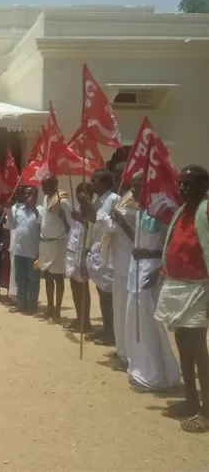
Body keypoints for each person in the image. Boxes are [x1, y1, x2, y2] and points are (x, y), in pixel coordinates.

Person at [111, 172, 179, 394]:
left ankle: (156, 376)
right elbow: (137, 241)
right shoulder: (143, 209)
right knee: (135, 324)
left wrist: (157, 264)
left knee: (150, 327)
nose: (133, 192)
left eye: (138, 187)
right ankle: (141, 370)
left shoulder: (164, 209)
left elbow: (172, 245)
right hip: (136, 269)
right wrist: (122, 224)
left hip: (151, 271)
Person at [154, 165, 209, 433]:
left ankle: (207, 413)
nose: (183, 188)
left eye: (190, 184)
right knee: (184, 347)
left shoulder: (205, 211)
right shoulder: (181, 212)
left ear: (204, 186)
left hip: (199, 289)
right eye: (182, 183)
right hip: (177, 287)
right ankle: (190, 401)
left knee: (199, 351)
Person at [78, 168, 120, 346]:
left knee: (108, 296)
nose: (91, 183)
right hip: (96, 250)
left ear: (104, 183)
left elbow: (111, 225)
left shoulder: (114, 200)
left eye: (95, 180)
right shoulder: (98, 199)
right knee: (102, 293)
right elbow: (92, 222)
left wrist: (89, 206)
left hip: (109, 253)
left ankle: (112, 334)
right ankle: (106, 330)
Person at [107, 173, 139, 365]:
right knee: (118, 308)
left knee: (129, 312)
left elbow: (136, 234)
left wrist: (120, 221)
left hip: (132, 262)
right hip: (118, 260)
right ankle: (122, 351)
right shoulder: (124, 198)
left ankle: (131, 355)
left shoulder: (138, 203)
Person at [38, 175, 73, 321]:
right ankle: (50, 308)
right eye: (43, 186)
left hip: (58, 243)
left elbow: (71, 225)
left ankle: (57, 310)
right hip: (45, 243)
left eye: (47, 186)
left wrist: (63, 217)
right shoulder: (46, 199)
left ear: (55, 184)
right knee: (47, 276)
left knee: (58, 278)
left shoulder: (63, 201)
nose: (45, 189)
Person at [9, 186, 43, 314]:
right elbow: (12, 225)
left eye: (31, 194)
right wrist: (8, 210)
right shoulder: (19, 210)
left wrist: (33, 209)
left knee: (33, 280)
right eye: (26, 193)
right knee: (20, 279)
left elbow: (41, 224)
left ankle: (32, 306)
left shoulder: (40, 210)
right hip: (19, 251)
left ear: (36, 197)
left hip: (33, 252)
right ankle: (21, 304)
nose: (28, 196)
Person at [65, 182, 93, 333]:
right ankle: (79, 317)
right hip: (72, 249)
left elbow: (93, 229)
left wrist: (81, 219)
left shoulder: (91, 209)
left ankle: (86, 322)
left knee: (82, 287)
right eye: (78, 193)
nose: (79, 196)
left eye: (83, 193)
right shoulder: (77, 207)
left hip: (82, 251)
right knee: (74, 286)